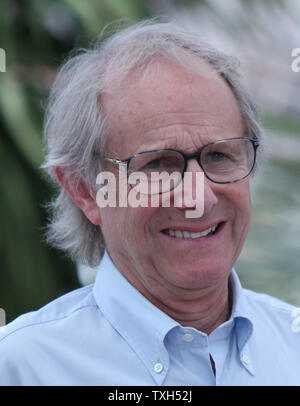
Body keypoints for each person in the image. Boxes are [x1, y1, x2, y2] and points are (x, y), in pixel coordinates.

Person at [0, 20, 299, 386]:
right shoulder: (22, 369)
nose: (199, 197)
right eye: (157, 164)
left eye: (219, 156)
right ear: (84, 190)